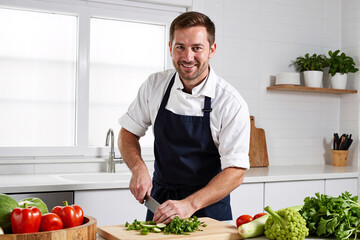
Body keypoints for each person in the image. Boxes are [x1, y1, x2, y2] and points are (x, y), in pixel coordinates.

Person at [118, 11, 250, 224]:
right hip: (161, 205)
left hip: (209, 211)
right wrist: (138, 167)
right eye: (180, 47)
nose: (188, 57)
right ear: (170, 48)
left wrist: (190, 204)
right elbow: (128, 132)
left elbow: (236, 171)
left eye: (197, 48)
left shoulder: (230, 103)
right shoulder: (155, 86)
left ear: (211, 50)